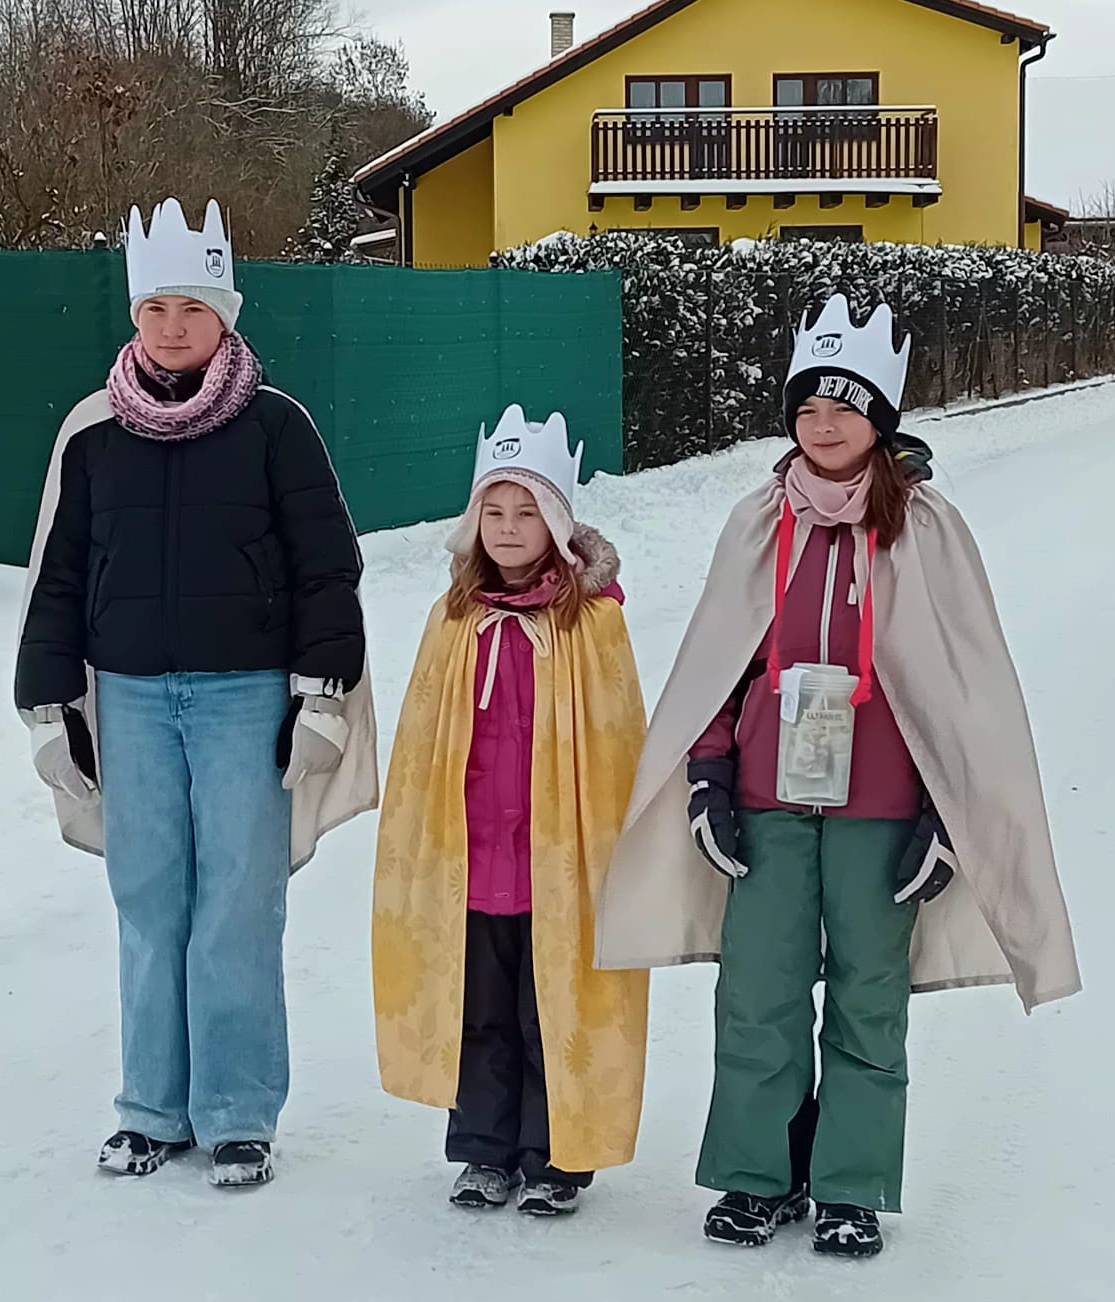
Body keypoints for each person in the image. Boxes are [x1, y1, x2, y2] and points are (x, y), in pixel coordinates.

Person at [595, 294, 1081, 1257]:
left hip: (882, 812)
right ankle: (756, 1176)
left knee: (868, 997)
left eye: (846, 408)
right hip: (769, 806)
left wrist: (950, 814)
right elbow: (720, 668)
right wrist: (707, 778)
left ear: (879, 421)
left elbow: (959, 687)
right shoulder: (755, 524)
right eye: (808, 408)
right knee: (758, 994)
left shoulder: (925, 529)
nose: (824, 425)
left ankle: (850, 1182)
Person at [15, 197, 378, 1188]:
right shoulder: (94, 438)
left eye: (193, 307)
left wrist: (322, 695)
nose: (172, 325)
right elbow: (59, 573)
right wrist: (47, 708)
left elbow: (324, 568)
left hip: (240, 699)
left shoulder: (274, 428)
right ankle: (151, 1108)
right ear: (135, 316)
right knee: (148, 901)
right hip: (130, 700)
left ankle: (235, 1109)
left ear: (228, 313)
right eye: (155, 307)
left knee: (236, 904)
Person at [372, 404, 648, 1216]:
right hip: (472, 862)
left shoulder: (593, 624)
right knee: (479, 1013)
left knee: (551, 1009)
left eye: (527, 511)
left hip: (558, 864)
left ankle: (558, 1153)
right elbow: (424, 745)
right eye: (493, 511)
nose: (508, 526)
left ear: (558, 522)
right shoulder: (455, 621)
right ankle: (484, 1150)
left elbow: (615, 742)